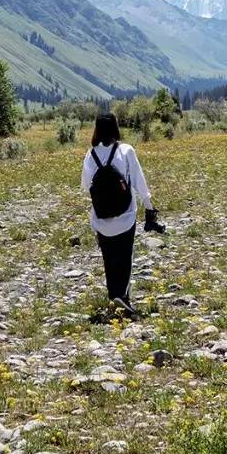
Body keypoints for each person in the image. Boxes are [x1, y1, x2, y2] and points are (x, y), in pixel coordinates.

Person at [80, 113, 161, 317]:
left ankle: (113, 296)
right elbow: (139, 181)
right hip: (126, 216)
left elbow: (85, 187)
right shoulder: (125, 150)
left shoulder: (90, 155)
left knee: (109, 257)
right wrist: (149, 207)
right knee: (125, 256)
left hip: (100, 218)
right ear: (116, 128)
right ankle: (122, 297)